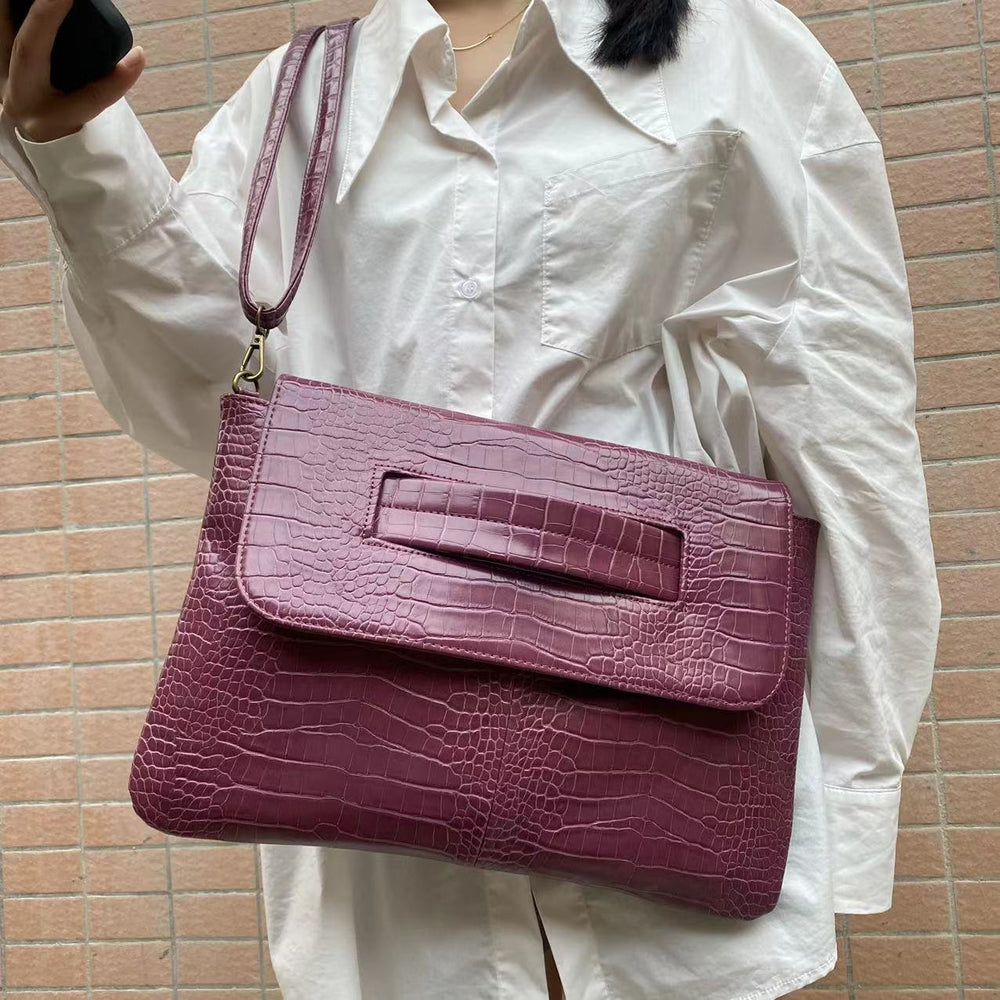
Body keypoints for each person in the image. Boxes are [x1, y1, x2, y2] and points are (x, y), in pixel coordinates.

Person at [0, 0, 943, 995]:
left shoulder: (731, 48)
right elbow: (208, 403)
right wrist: (79, 143)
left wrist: (845, 792)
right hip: (380, 801)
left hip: (668, 754)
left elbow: (845, 425)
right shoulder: (296, 96)